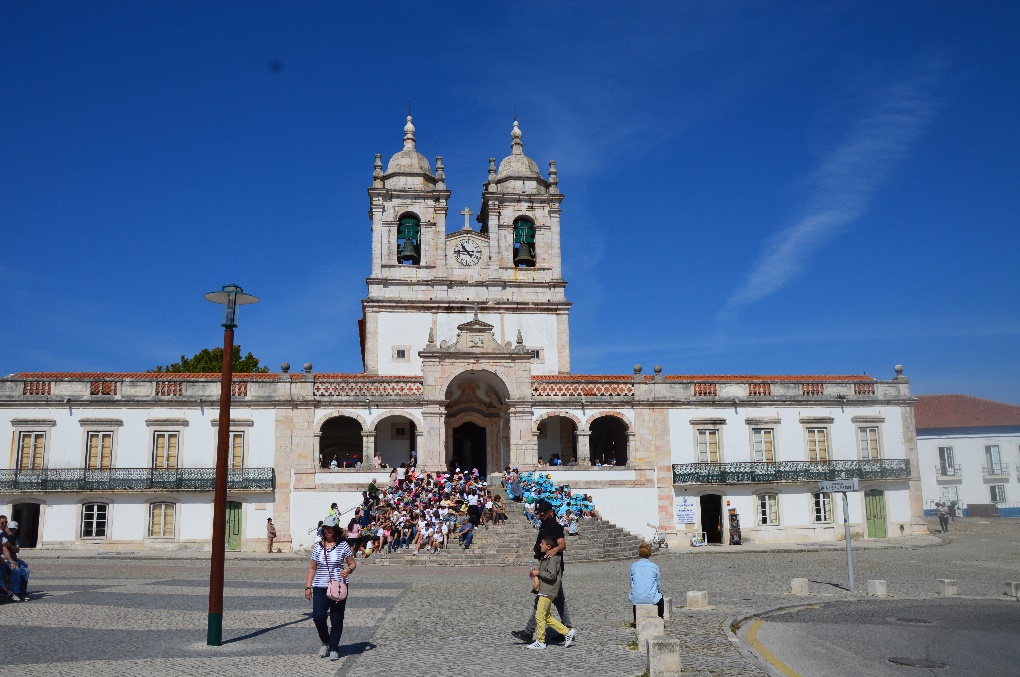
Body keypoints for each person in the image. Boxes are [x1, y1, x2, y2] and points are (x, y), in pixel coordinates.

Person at [513, 499, 572, 643]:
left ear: (551, 512)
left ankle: (529, 631)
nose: (542, 514)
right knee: (557, 600)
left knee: (543, 600)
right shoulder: (544, 525)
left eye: (544, 511)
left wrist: (556, 550)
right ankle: (567, 630)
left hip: (552, 568)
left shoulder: (555, 526)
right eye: (540, 511)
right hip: (545, 566)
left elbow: (562, 544)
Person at [305, 514, 356, 662]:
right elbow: (312, 568)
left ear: (335, 530)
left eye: (329, 528)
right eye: (325, 528)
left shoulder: (343, 545)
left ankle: (333, 647)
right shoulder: (317, 547)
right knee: (318, 617)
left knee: (336, 618)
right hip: (320, 587)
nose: (327, 531)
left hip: (338, 586)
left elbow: (352, 563)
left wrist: (349, 570)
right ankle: (326, 641)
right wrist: (308, 587)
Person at [526, 535, 577, 650]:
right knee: (546, 616)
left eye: (542, 544)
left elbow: (551, 575)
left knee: (539, 615)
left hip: (548, 590)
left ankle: (541, 640)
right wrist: (536, 573)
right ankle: (567, 632)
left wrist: (538, 573)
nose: (540, 545)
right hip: (545, 589)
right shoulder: (547, 557)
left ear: (548, 547)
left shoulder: (553, 559)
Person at [629, 542, 663, 625]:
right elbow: (658, 583)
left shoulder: (634, 566)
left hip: (637, 597)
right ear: (649, 553)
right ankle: (660, 617)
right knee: (661, 599)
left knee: (636, 594)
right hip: (651, 597)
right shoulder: (654, 566)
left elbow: (632, 583)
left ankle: (636, 618)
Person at [0, 516, 29, 602]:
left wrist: (11, 561)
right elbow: (5, 548)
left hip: (8, 559)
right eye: (2, 523)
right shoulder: (3, 535)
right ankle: (13, 593)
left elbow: (15, 549)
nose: (4, 524)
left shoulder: (8, 536)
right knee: (16, 570)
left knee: (25, 570)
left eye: (5, 523)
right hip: (3, 560)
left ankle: (22, 592)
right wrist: (11, 562)